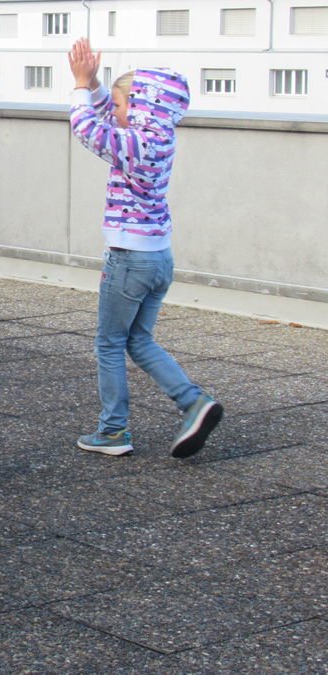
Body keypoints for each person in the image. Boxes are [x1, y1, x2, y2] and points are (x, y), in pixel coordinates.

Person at [67, 37, 223, 458]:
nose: (113, 113)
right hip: (159, 256)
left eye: (120, 106)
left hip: (129, 260)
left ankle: (113, 431)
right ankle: (193, 403)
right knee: (139, 340)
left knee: (109, 343)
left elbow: (87, 128)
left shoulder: (136, 144)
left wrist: (81, 86)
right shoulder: (160, 137)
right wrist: (98, 86)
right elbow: (108, 116)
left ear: (137, 108)